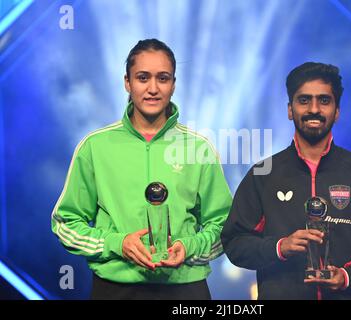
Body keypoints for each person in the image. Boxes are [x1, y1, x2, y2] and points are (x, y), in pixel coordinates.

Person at [51, 39, 232, 300]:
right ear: (127, 82)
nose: (153, 88)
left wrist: (189, 246)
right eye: (143, 77)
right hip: (115, 289)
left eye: (163, 78)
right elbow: (65, 224)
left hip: (185, 290)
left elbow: (225, 226)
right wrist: (118, 244)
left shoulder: (199, 148)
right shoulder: (95, 146)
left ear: (173, 84)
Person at [221, 62, 351, 300]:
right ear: (290, 110)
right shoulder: (263, 174)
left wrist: (350, 277)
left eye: (324, 101)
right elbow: (235, 243)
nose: (314, 109)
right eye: (304, 100)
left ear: (337, 111)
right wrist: (280, 247)